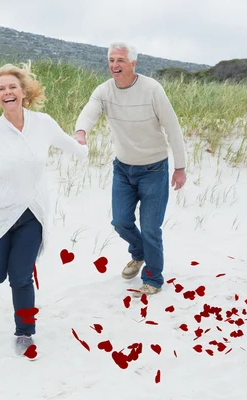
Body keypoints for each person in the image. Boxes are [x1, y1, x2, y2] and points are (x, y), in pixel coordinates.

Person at [0, 61, 89, 357]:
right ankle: (6, 266)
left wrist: (83, 143)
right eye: (0, 89)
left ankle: (25, 332)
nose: (6, 92)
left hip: (32, 214)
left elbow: (72, 146)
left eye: (12, 87)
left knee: (20, 275)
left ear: (23, 92)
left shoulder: (43, 123)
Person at [73, 42, 187, 298]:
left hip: (154, 170)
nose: (115, 65)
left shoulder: (152, 89)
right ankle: (139, 253)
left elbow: (173, 128)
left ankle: (153, 279)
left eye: (120, 60)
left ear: (133, 64)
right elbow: (90, 111)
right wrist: (81, 132)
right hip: (123, 170)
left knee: (150, 228)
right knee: (121, 221)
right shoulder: (104, 91)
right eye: (112, 60)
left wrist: (179, 167)